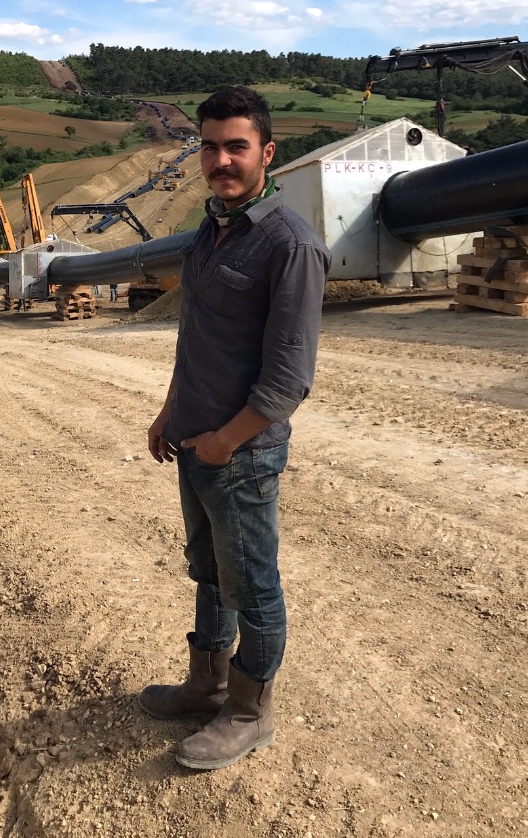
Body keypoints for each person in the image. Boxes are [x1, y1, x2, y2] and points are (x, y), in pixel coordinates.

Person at [142, 86, 329, 770]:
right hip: (194, 440)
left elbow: (288, 381)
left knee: (252, 584)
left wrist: (224, 442)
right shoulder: (211, 228)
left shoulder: (290, 246)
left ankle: (250, 712)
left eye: (236, 147)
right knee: (210, 573)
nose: (221, 160)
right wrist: (170, 411)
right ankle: (208, 683)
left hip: (240, 453)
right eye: (210, 146)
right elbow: (194, 335)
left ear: (266, 153)